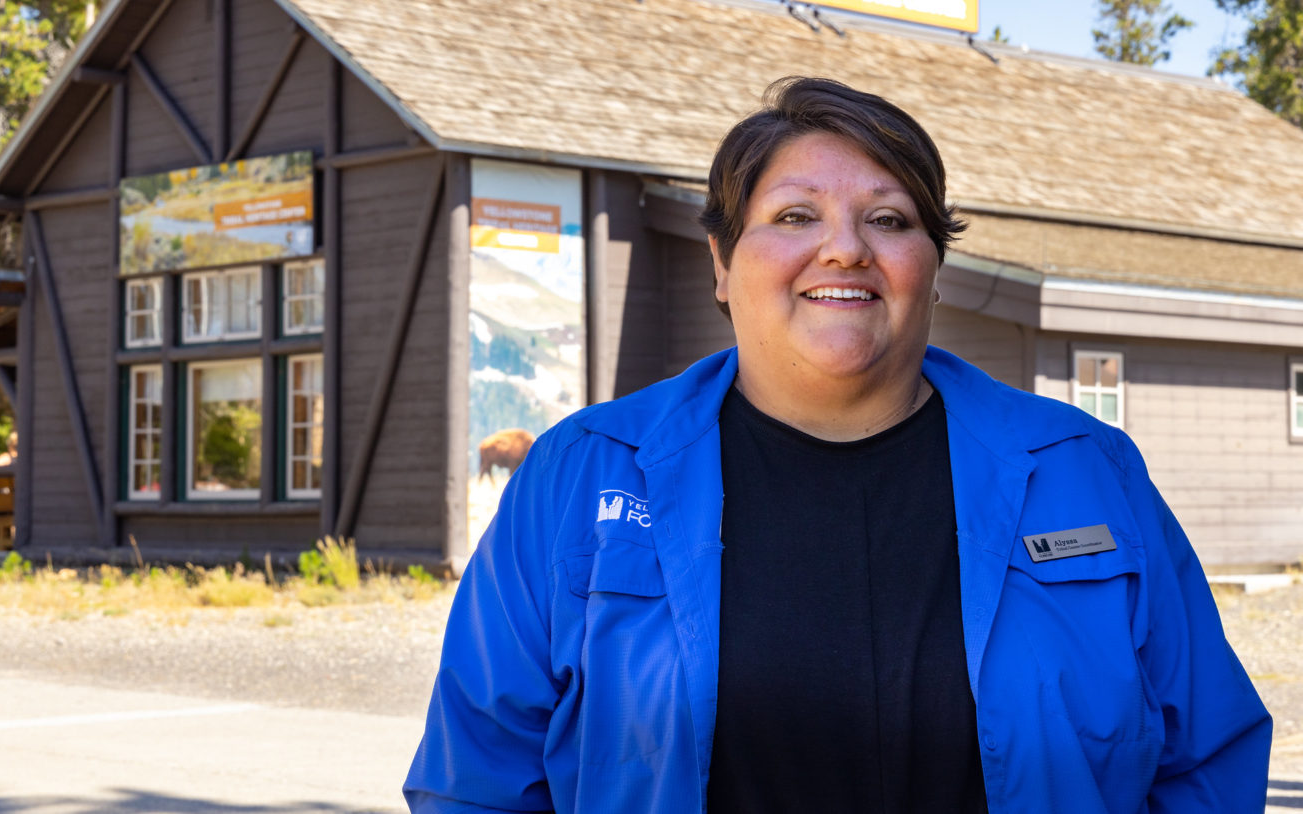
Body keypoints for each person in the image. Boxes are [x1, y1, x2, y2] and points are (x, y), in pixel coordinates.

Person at [405, 77, 1271, 812]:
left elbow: (1206, 761)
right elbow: (477, 777)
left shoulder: (1089, 474)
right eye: (794, 214)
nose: (845, 249)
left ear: (934, 268)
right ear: (720, 261)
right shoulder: (576, 476)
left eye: (889, 220)